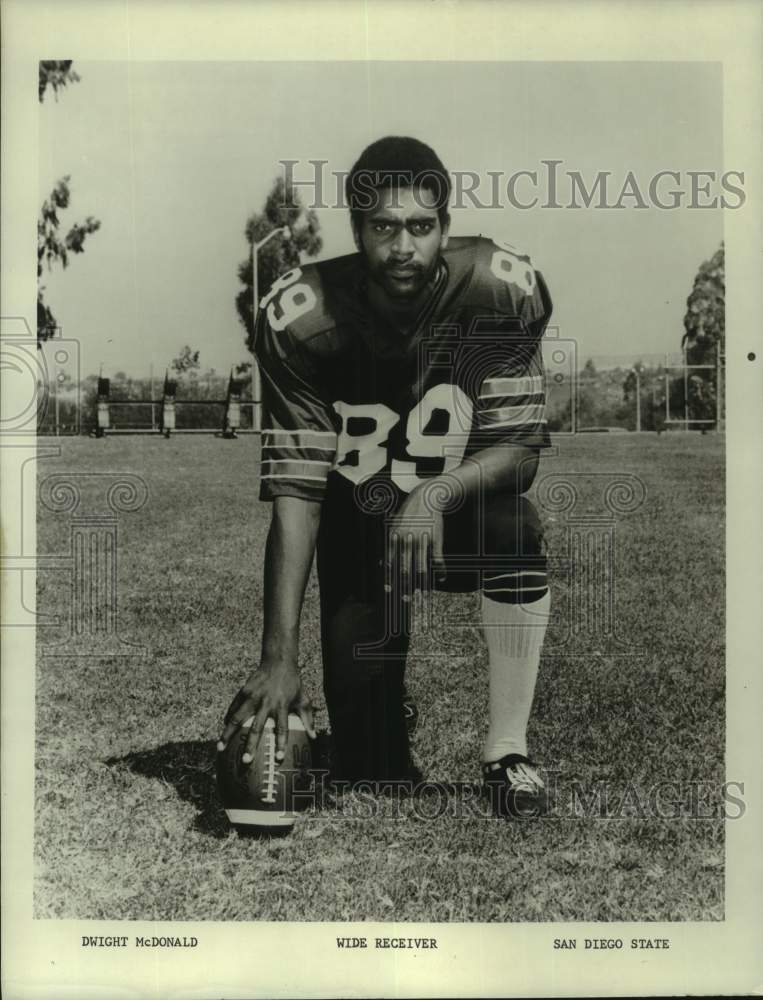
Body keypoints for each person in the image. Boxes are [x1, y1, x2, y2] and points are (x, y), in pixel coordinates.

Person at [218, 136, 553, 817]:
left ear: (446, 228)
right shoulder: (302, 316)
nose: (403, 247)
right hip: (358, 524)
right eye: (384, 228)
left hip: (453, 512)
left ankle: (507, 751)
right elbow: (297, 493)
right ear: (356, 230)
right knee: (374, 771)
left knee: (514, 526)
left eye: (421, 227)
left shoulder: (495, 287)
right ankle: (376, 710)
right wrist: (278, 656)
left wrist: (434, 492)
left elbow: (518, 450)